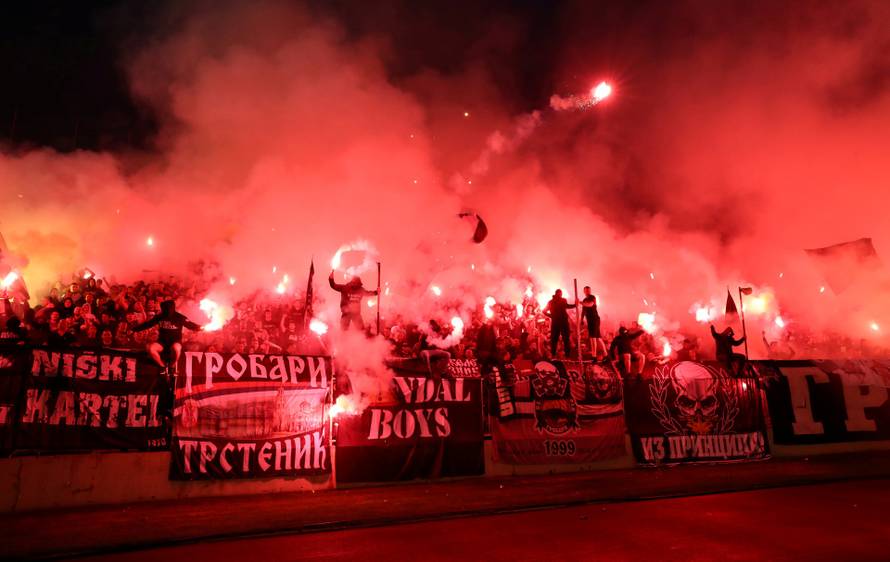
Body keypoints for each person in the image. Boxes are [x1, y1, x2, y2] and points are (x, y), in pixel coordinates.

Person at [132, 299, 203, 374]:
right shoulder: (159, 317)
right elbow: (148, 324)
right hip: (162, 342)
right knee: (151, 349)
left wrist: (199, 328)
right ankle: (162, 366)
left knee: (177, 348)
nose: (167, 311)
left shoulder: (180, 317)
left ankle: (172, 366)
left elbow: (190, 325)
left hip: (175, 341)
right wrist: (134, 329)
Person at [543, 289, 576, 357]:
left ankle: (555, 354)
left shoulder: (552, 301)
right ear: (559, 294)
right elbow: (567, 306)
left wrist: (551, 316)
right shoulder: (560, 300)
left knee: (557, 339)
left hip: (557, 322)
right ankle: (564, 355)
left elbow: (544, 311)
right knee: (563, 338)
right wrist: (575, 305)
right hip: (561, 322)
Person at [581, 286, 606, 360]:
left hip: (594, 319)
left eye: (588, 290)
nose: (587, 292)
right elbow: (583, 310)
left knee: (593, 338)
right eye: (586, 290)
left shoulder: (592, 297)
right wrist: (581, 319)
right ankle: (606, 355)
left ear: (590, 291)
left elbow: (590, 304)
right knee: (598, 338)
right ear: (584, 291)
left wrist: (580, 302)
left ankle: (594, 356)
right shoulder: (584, 300)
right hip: (590, 320)